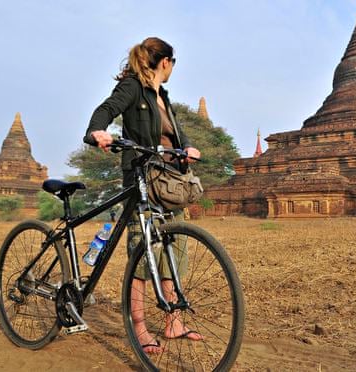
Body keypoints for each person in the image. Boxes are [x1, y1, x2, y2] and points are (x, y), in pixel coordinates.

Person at [84, 37, 203, 354]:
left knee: (175, 249)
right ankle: (138, 328)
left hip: (170, 181)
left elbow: (173, 132)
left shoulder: (162, 95)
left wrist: (187, 147)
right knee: (141, 253)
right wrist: (98, 132)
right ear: (167, 62)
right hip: (142, 179)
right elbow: (106, 110)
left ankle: (174, 321)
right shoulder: (133, 87)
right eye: (174, 64)